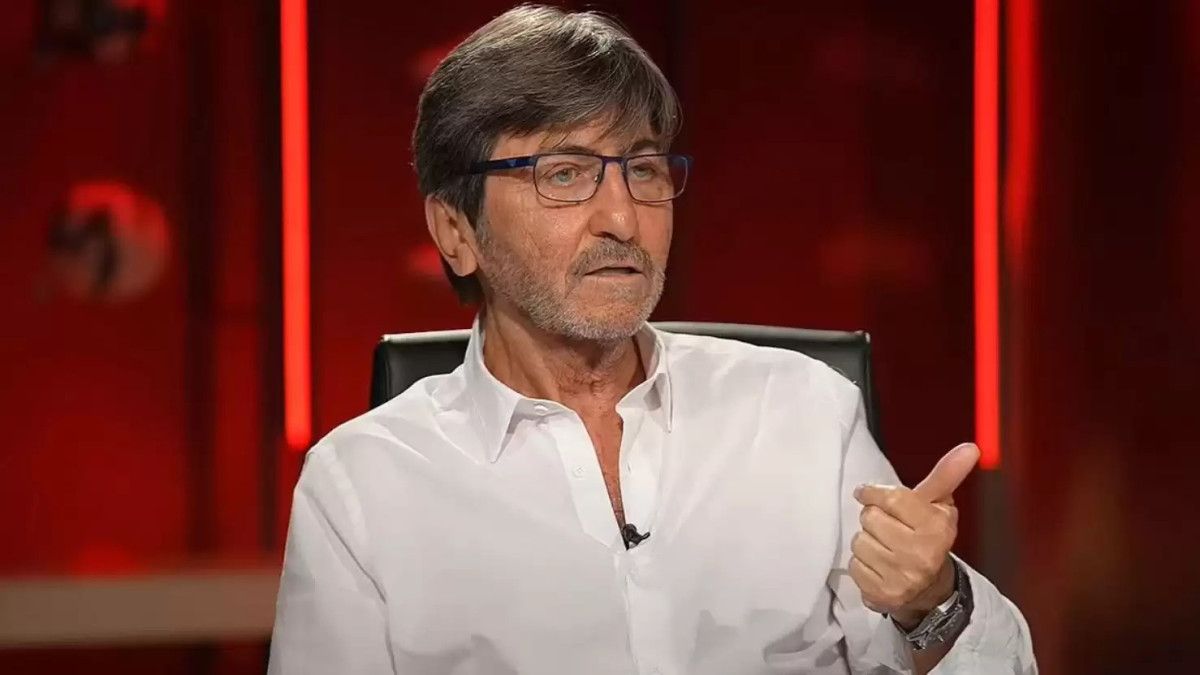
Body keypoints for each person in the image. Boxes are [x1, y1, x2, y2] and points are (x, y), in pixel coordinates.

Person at [267, 5, 1036, 674]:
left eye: (643, 170)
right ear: (455, 230)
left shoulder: (803, 410)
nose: (622, 218)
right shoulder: (362, 486)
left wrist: (931, 601)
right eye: (563, 174)